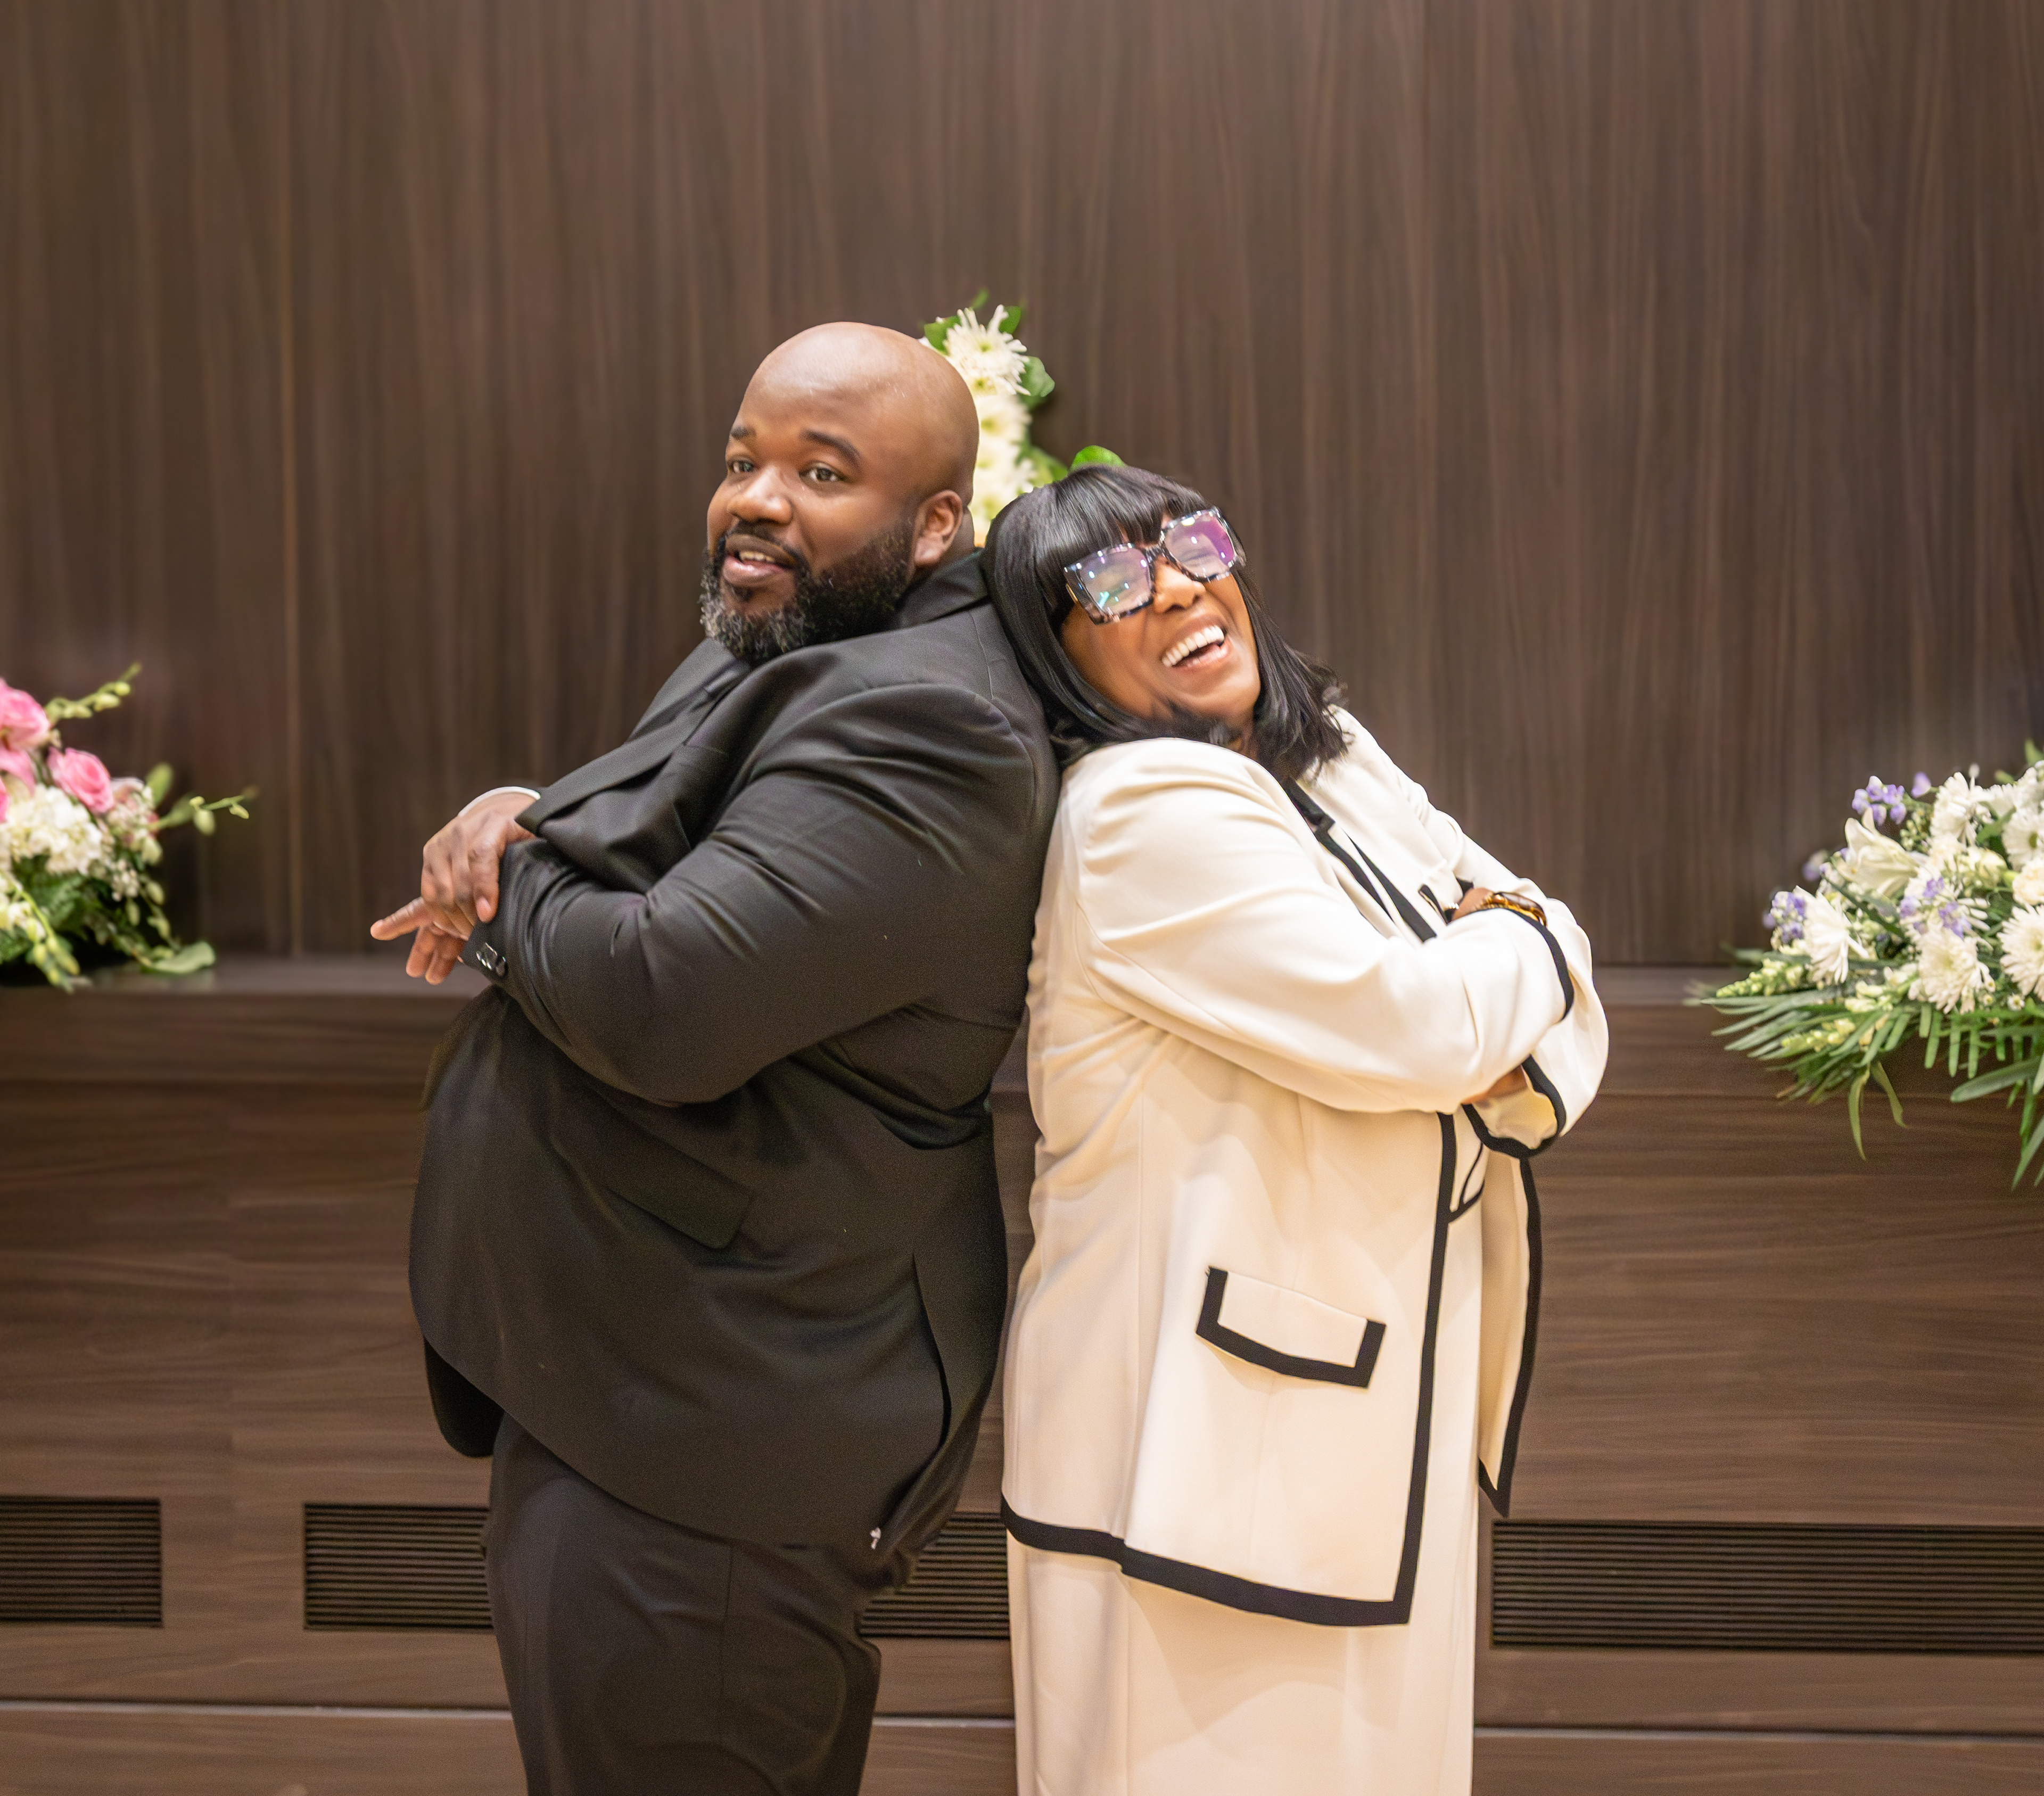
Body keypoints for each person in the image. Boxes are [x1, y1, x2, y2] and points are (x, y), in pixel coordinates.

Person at [369, 324, 1058, 1796]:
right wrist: (529, 807)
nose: (757, 499)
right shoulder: (806, 635)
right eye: (744, 459)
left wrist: (504, 874)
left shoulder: (929, 714)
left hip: (716, 1439)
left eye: (824, 473)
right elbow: (652, 847)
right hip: (648, 1386)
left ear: (939, 521)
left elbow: (662, 997)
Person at [982, 464, 1608, 1795]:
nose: (1179, 588)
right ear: (1058, 655)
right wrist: (1538, 932)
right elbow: (1431, 1025)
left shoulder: (1325, 756)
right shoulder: (1141, 810)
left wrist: (1505, 971)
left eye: (1193, 544)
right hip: (1209, 1467)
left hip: (1367, 1434)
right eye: (1112, 580)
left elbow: (1533, 1034)